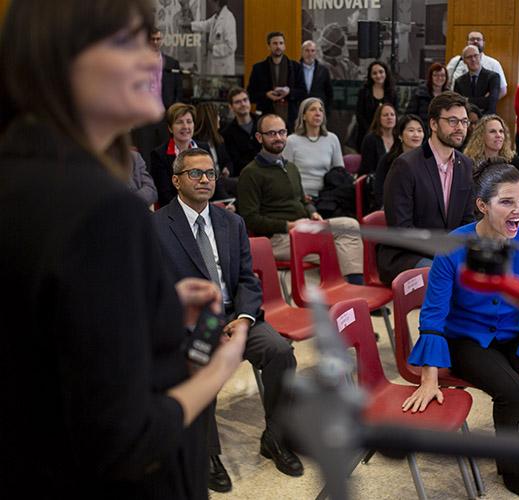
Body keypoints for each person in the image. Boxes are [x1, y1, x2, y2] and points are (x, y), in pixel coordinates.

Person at [0, 1, 249, 498]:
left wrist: (151, 305)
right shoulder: (103, 208)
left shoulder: (22, 171)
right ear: (60, 59)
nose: (151, 60)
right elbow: (123, 441)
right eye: (126, 42)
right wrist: (220, 371)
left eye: (150, 42)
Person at [402, 161, 519, 499]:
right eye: (507, 202)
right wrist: (429, 378)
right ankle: (509, 463)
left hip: (514, 334)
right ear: (483, 206)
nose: (518, 210)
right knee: (514, 394)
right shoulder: (453, 246)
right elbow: (433, 315)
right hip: (466, 339)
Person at [154, 149, 303, 488]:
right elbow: (157, 290)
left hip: (238, 316)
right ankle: (205, 453)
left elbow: (248, 280)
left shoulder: (231, 222)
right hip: (194, 323)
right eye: (195, 174)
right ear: (176, 180)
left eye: (209, 173)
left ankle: (276, 437)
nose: (205, 179)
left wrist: (246, 319)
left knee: (280, 352)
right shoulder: (158, 226)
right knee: (198, 365)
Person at [237, 114, 363, 282]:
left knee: (350, 225)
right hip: (277, 238)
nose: (278, 138)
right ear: (259, 137)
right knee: (339, 247)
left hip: (304, 226)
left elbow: (302, 200)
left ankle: (351, 290)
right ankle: (355, 292)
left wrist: (312, 213)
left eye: (282, 132)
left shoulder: (291, 167)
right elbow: (250, 219)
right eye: (272, 133)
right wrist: (288, 226)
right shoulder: (250, 173)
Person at [378, 91, 476, 286]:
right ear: (433, 124)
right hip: (406, 256)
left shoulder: (465, 164)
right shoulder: (405, 165)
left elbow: (467, 220)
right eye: (453, 121)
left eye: (464, 122)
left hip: (448, 254)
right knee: (451, 280)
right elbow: (402, 228)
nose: (460, 128)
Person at [151, 102, 230, 207]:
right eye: (179, 122)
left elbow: (214, 179)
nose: (185, 126)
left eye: (189, 122)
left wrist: (226, 202)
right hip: (175, 211)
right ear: (170, 128)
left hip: (205, 206)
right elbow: (164, 195)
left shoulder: (204, 147)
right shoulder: (159, 154)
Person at [131, 27, 182, 167]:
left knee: (165, 158)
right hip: (144, 117)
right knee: (145, 158)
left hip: (165, 117)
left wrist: (173, 114)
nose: (155, 42)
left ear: (162, 40)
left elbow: (178, 91)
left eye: (158, 39)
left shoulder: (172, 63)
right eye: (152, 39)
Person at [282, 97, 345, 200]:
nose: (318, 113)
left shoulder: (332, 139)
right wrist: (300, 196)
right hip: (300, 197)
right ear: (303, 116)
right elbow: (285, 175)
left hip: (327, 197)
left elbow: (339, 172)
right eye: (312, 109)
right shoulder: (291, 141)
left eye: (321, 110)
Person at [247, 31, 306, 128]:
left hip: (290, 117)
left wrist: (289, 92)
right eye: (274, 43)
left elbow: (303, 92)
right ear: (268, 46)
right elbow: (251, 94)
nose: (278, 46)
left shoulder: (296, 67)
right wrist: (266, 95)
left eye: (281, 43)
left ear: (284, 46)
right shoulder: (258, 68)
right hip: (266, 115)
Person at [373, 114, 425, 208]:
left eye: (419, 131)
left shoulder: (428, 160)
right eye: (411, 130)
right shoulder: (388, 160)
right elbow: (379, 191)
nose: (416, 135)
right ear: (400, 135)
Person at [446, 30, 508, 100]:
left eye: (478, 39)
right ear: (467, 42)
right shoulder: (456, 61)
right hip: (459, 107)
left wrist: (487, 103)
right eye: (472, 39)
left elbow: (502, 90)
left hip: (484, 110)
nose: (475, 41)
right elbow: (446, 83)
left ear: (483, 43)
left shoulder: (493, 63)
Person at [355, 60, 397, 151]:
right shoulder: (364, 92)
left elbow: (395, 113)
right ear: (370, 75)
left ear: (386, 73)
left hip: (387, 135)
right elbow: (359, 114)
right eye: (374, 73)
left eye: (381, 72)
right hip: (366, 134)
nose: (378, 75)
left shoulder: (392, 92)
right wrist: (371, 131)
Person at [189, 0, 237, 75]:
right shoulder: (216, 17)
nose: (209, 5)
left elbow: (231, 47)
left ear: (217, 2)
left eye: (210, 2)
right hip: (214, 66)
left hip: (223, 69)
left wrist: (213, 48)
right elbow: (205, 25)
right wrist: (190, 25)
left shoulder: (228, 19)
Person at [220, 87, 260, 173]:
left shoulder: (263, 123)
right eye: (238, 102)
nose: (243, 104)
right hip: (243, 176)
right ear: (231, 107)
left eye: (245, 100)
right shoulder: (227, 133)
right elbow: (234, 162)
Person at [453, 45, 500, 116]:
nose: (473, 59)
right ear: (464, 61)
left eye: (475, 55)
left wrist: (467, 100)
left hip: (487, 120)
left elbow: (491, 103)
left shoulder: (493, 77)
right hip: (466, 122)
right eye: (469, 57)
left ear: (480, 56)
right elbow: (458, 106)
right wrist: (483, 100)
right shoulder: (459, 82)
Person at [194, 102, 234, 183]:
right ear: (210, 119)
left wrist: (227, 169)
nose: (219, 118)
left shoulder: (218, 140)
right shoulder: (196, 144)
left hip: (221, 180)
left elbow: (228, 161)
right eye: (217, 115)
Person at [359, 103, 397, 176]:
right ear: (378, 118)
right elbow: (368, 168)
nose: (389, 117)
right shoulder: (370, 139)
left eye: (392, 114)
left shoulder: (399, 138)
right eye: (385, 115)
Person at [300, 40, 333, 110]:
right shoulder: (294, 69)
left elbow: (329, 93)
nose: (310, 54)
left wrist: (326, 112)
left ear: (316, 53)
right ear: (302, 52)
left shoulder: (323, 70)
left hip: (318, 111)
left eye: (312, 51)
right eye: (307, 51)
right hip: (299, 111)